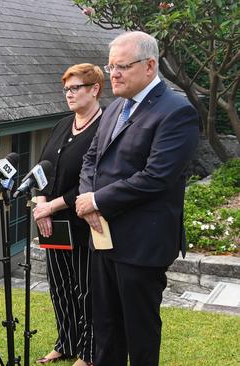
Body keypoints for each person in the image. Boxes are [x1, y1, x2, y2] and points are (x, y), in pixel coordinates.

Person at [76, 31, 199, 366]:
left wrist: (97, 201)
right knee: (105, 326)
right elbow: (91, 158)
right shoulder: (116, 106)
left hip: (142, 245)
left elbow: (156, 177)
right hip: (103, 237)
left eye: (121, 67)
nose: (112, 74)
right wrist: (88, 196)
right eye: (110, 65)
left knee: (140, 334)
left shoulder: (177, 112)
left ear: (149, 66)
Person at [32, 64, 104, 366]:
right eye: (66, 89)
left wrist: (53, 205)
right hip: (51, 223)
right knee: (59, 285)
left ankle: (89, 353)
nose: (69, 94)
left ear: (94, 89)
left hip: (83, 223)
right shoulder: (62, 124)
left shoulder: (105, 127)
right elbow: (41, 166)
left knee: (86, 289)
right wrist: (40, 203)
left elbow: (96, 180)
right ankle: (66, 342)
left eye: (75, 88)